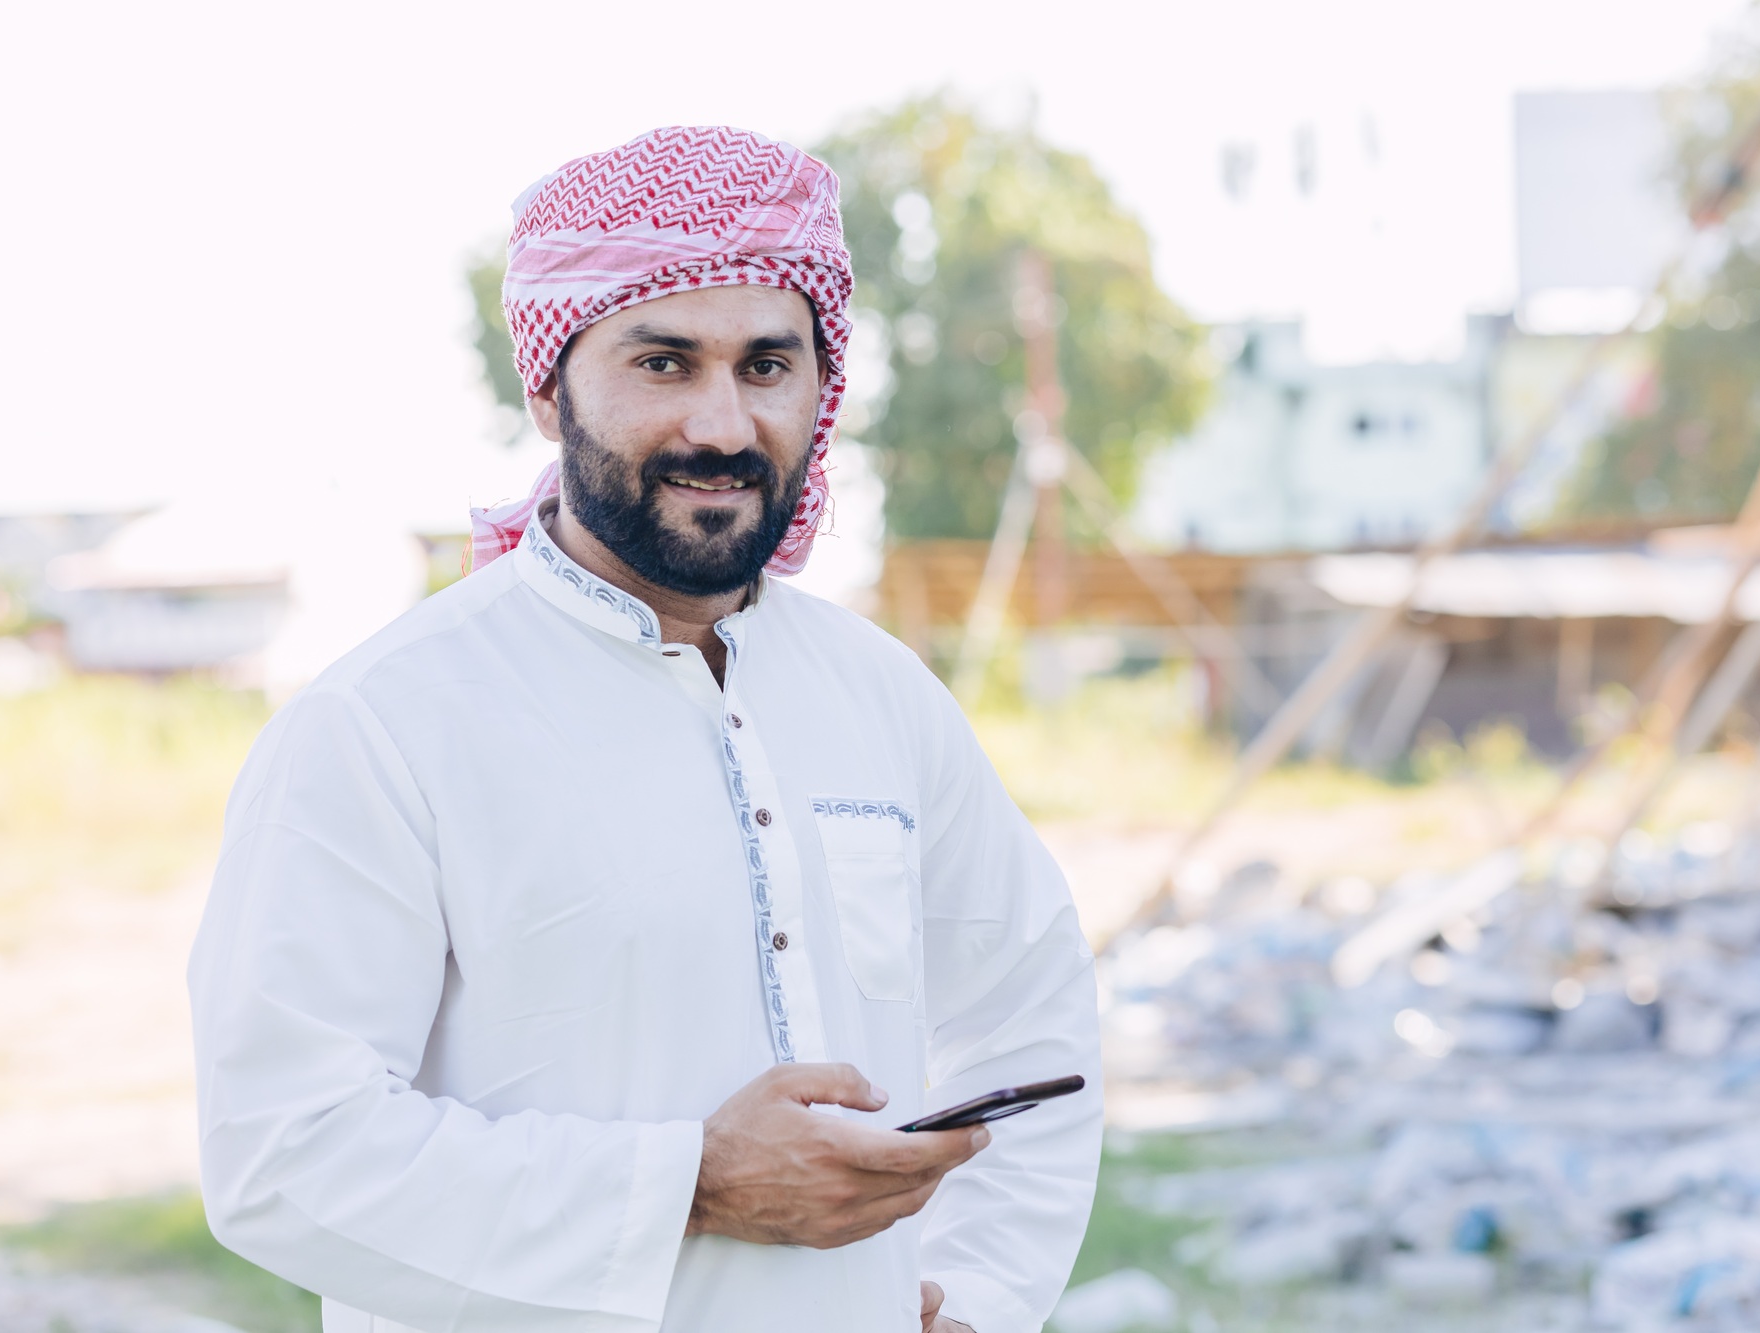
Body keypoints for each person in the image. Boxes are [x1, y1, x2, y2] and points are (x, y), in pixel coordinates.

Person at [187, 126, 1102, 1333]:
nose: (723, 425)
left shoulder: (877, 694)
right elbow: (280, 1151)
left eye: (767, 366)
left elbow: (1030, 1013)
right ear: (547, 384)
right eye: (663, 363)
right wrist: (688, 1188)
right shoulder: (387, 723)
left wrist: (979, 1297)